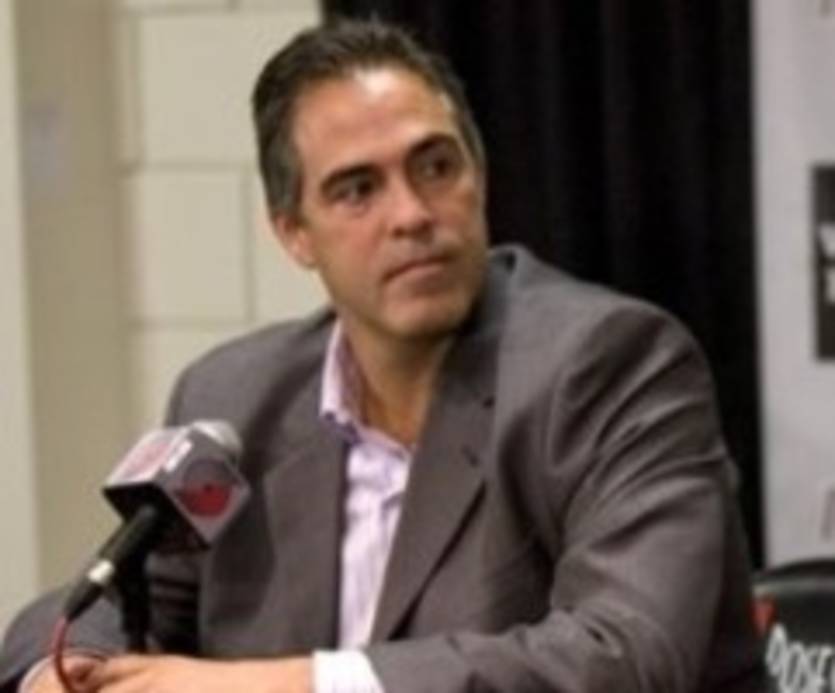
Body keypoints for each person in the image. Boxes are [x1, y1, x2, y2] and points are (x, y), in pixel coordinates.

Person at [0, 18, 764, 693]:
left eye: (435, 166)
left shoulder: (609, 366)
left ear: (479, 175)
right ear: (293, 232)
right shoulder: (237, 397)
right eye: (357, 189)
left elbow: (623, 658)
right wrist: (61, 669)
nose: (412, 213)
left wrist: (288, 683)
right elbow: (101, 603)